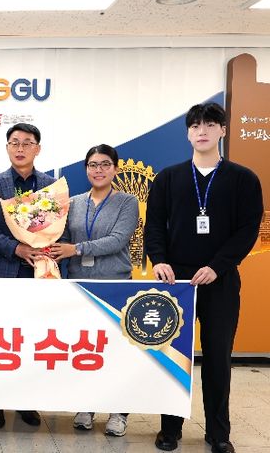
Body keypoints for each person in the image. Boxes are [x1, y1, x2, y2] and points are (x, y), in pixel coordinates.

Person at [145, 103, 263, 453]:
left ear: (223, 130)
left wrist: (218, 266)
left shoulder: (243, 178)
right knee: (173, 357)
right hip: (176, 282)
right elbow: (154, 224)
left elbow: (248, 229)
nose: (202, 131)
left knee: (217, 359)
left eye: (210, 124)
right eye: (195, 125)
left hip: (219, 280)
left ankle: (218, 433)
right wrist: (159, 260)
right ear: (187, 133)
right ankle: (170, 430)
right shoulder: (169, 178)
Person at [50, 144, 139, 437]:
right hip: (80, 285)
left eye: (104, 164)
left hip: (115, 285)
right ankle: (86, 405)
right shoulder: (74, 203)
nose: (98, 170)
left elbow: (117, 240)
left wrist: (76, 249)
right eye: (92, 165)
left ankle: (118, 412)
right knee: (85, 349)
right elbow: (61, 239)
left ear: (115, 168)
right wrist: (46, 251)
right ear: (86, 169)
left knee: (117, 351)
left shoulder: (127, 202)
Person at [0, 122, 54, 429]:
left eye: (27, 143)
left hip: (39, 273)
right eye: (15, 143)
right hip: (3, 271)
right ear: (7, 147)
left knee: (32, 338)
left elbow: (57, 227)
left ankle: (26, 401)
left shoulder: (51, 185)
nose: (20, 148)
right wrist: (17, 248)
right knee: (0, 339)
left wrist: (44, 246)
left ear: (38, 148)